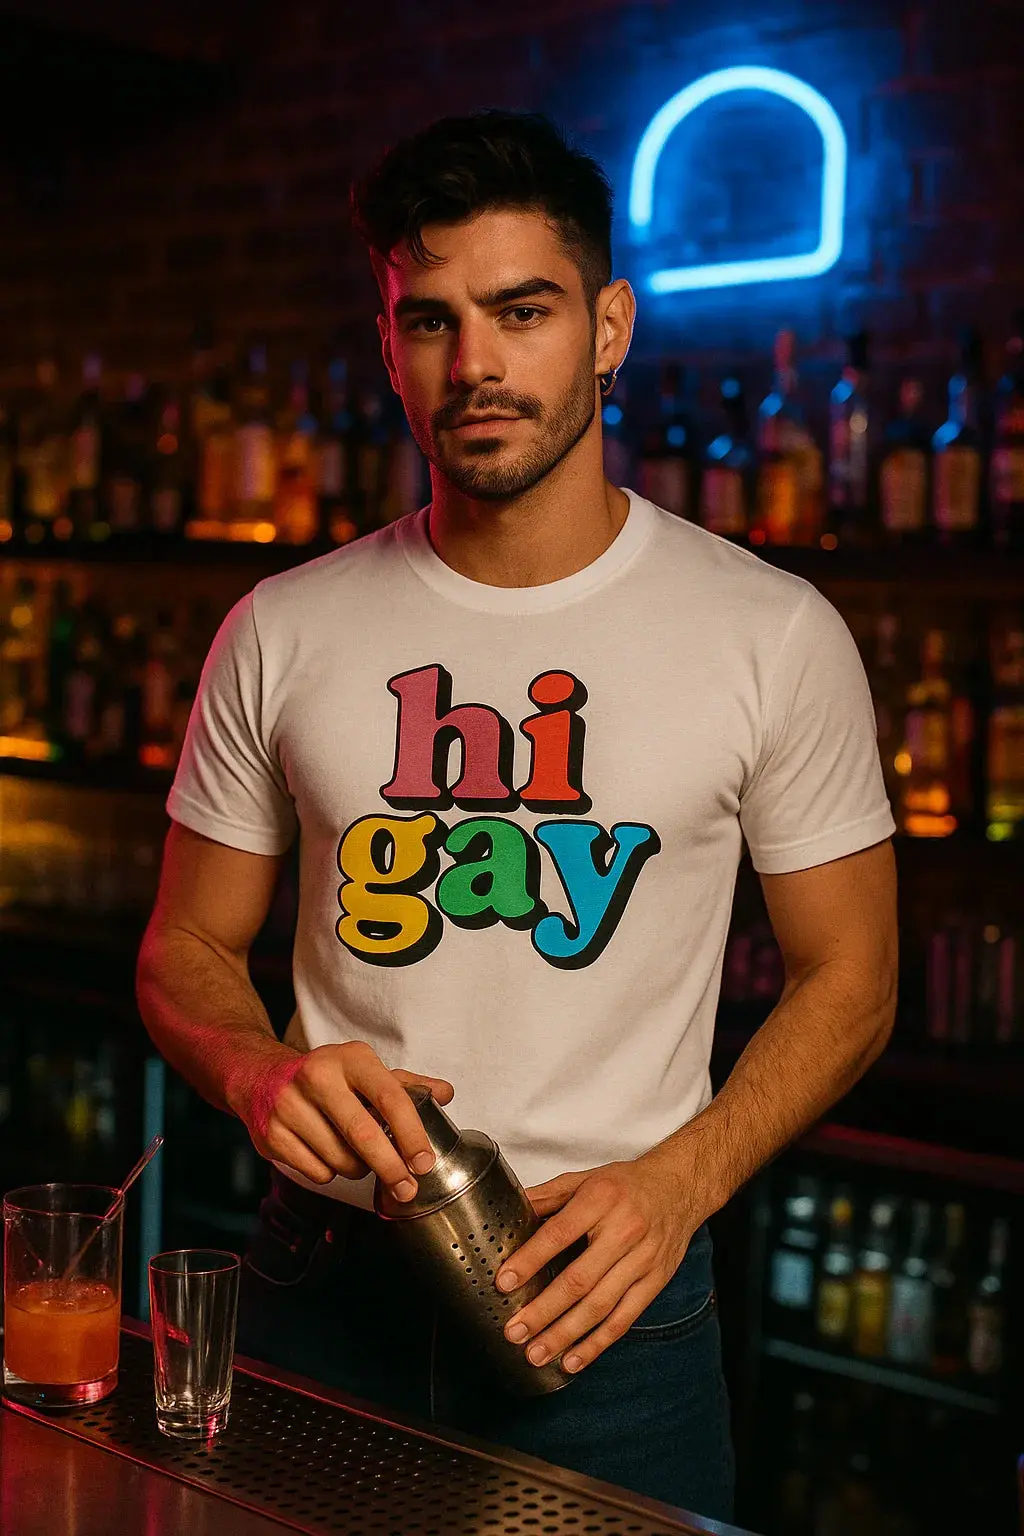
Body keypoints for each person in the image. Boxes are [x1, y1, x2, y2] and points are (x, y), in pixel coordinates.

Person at [136, 109, 897, 1525]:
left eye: (522, 311)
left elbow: (855, 978)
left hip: (609, 1293)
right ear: (387, 344)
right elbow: (184, 948)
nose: (473, 364)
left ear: (608, 327)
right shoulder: (281, 627)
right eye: (428, 320)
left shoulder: (771, 633)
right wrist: (257, 1077)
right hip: (324, 1277)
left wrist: (683, 1184)